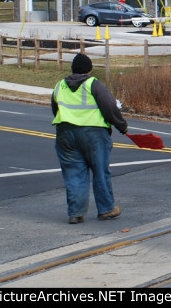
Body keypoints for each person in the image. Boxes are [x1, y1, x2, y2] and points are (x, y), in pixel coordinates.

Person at [52, 53, 128, 224]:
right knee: (100, 172)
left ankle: (76, 213)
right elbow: (109, 107)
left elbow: (55, 109)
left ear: (72, 69)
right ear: (89, 70)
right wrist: (122, 126)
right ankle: (106, 209)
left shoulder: (59, 86)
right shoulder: (94, 84)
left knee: (73, 174)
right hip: (94, 133)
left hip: (65, 133)